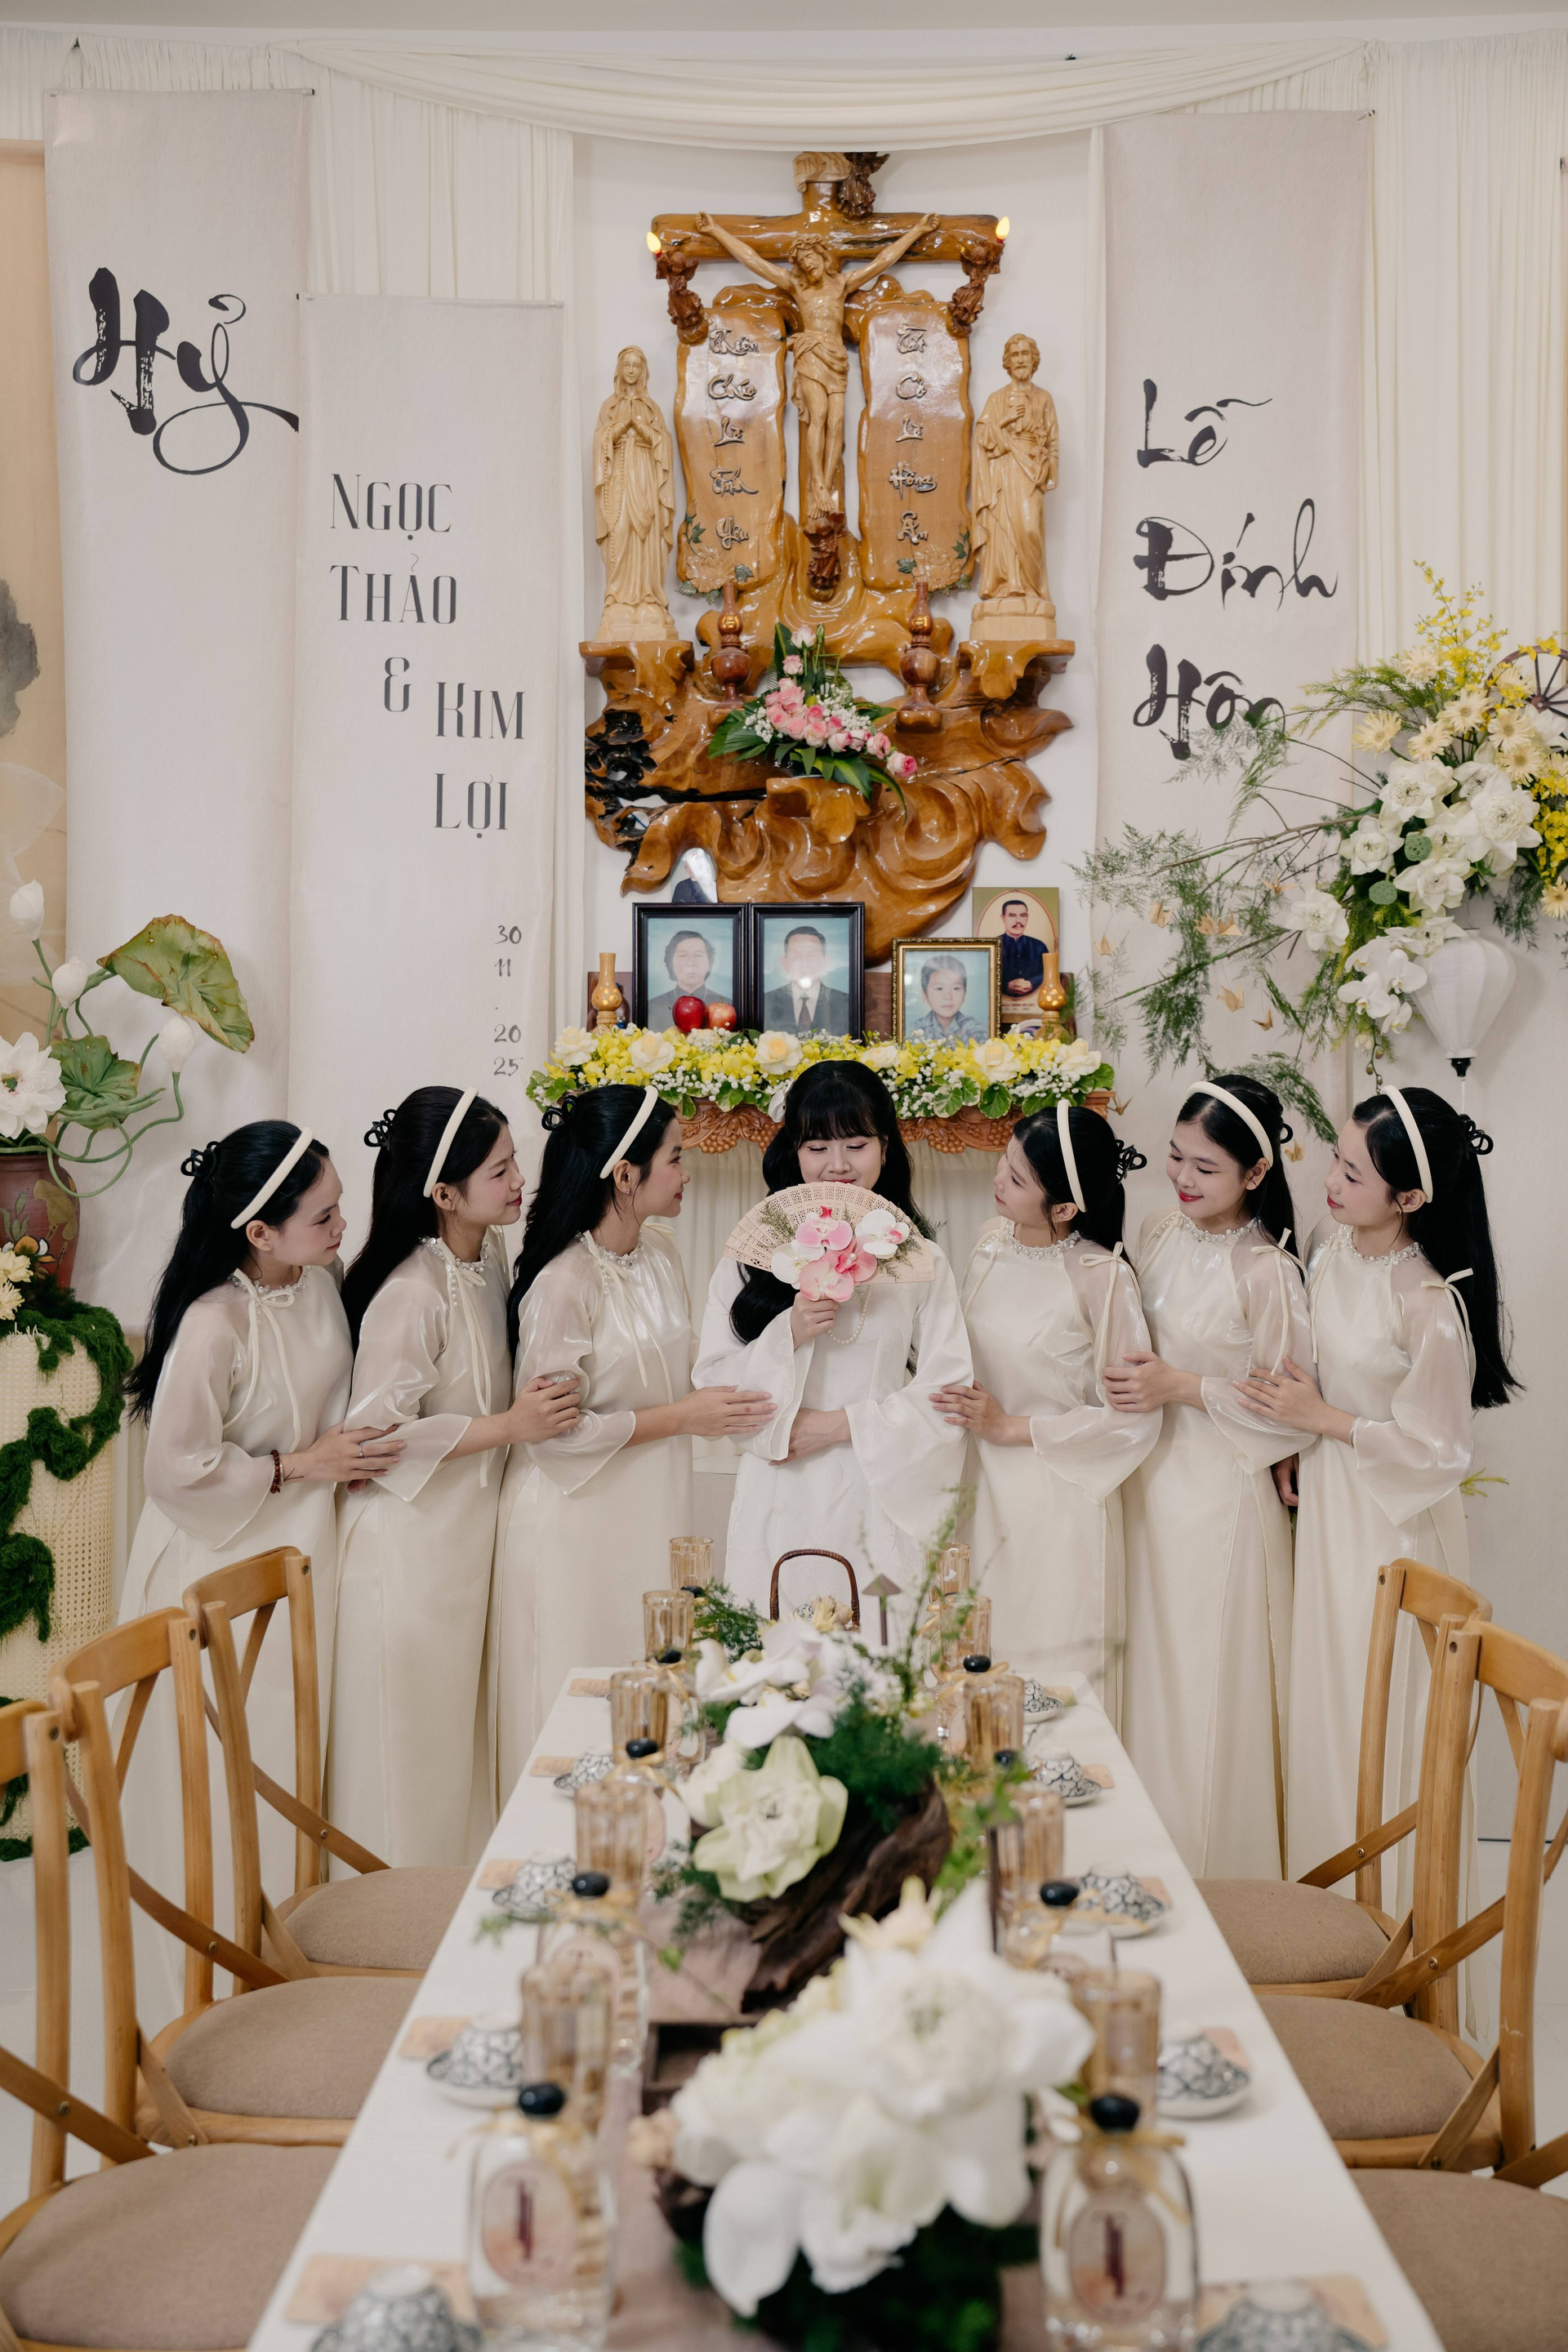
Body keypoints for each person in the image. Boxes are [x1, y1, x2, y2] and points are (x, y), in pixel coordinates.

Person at [119, 1123, 403, 2022]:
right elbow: (175, 1474)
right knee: (222, 1783)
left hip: (300, 1558)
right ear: (258, 1231)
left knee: (290, 1771)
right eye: (324, 1215)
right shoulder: (214, 1323)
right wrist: (300, 1464)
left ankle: (289, 1975)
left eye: (339, 1206)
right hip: (216, 1572)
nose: (342, 1226)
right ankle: (209, 2003)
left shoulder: (318, 1281)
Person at [1236, 1086, 1516, 1900]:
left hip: (1394, 1536)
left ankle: (1392, 1929)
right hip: (1331, 1511)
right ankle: (1323, 1919)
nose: (1330, 1181)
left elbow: (1438, 1451)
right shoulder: (1330, 1248)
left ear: (1410, 1198)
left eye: (1354, 1174)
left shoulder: (1427, 1304)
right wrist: (1297, 1442)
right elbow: (1314, 1376)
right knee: (1326, 1710)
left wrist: (1322, 1420)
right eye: (1337, 1158)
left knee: (1380, 1721)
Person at [490, 1086, 773, 1786]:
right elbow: (552, 1436)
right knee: (575, 1712)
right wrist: (684, 1418)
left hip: (646, 1510)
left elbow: (689, 1368)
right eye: (674, 1158)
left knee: (647, 1697)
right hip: (573, 1524)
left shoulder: (660, 1253)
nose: (686, 1172)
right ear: (625, 1174)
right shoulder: (563, 1282)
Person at [330, 1089, 581, 1867]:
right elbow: (372, 1439)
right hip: (404, 1555)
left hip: (462, 1546)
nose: (520, 1182)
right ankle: (381, 1920)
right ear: (443, 1193)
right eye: (499, 1171)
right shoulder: (412, 1290)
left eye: (514, 1162)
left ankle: (446, 1910)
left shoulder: (486, 1259)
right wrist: (512, 1426)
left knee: (448, 1756)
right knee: (403, 1759)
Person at [1103, 1076, 1315, 1880]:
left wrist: (1182, 1385)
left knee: (1204, 1683)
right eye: (1175, 1158)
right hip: (1147, 1485)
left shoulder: (1268, 1272)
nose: (1183, 1179)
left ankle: (1213, 1878)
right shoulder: (1160, 1231)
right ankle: (1137, 1859)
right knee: (1149, 1676)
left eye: (1205, 1168)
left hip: (1219, 1502)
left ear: (1256, 1173)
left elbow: (1292, 1412)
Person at [694, 1060, 972, 1639]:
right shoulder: (752, 1257)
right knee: (770, 1654)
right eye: (817, 1146)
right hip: (779, 1482)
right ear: (793, 1151)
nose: (838, 1165)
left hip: (878, 1487)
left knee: (877, 1652)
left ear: (886, 1148)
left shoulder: (921, 1260)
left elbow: (949, 1392)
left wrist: (842, 1425)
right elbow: (713, 1382)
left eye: (856, 1144)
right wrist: (789, 1332)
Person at [932, 1105, 1160, 1724]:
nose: (998, 1179)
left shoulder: (1103, 1279)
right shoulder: (989, 1242)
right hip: (977, 1488)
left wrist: (1012, 1427)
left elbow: (1132, 1420)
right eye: (1004, 1162)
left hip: (1055, 1499)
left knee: (1047, 1680)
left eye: (1018, 1178)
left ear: (1064, 1208)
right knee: (974, 1665)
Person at [762, 923, 852, 1036]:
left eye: (812, 956)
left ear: (825, 961)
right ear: (783, 962)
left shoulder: (846, 1002)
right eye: (796, 956)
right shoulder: (765, 1002)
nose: (804, 963)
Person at [645, 929, 719, 1032]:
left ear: (709, 962)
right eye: (683, 955)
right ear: (670, 962)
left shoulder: (726, 1005)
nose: (691, 963)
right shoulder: (652, 1007)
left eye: (698, 955)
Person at [907, 953, 986, 1044]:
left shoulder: (976, 1029)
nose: (948, 997)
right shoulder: (916, 1030)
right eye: (939, 988)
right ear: (924, 994)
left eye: (956, 988)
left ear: (964, 994)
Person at [998, 898, 1051, 1000]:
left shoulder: (1039, 946)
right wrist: (1005, 986)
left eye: (1023, 916)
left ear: (1027, 917)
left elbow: (1049, 973)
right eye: (1012, 915)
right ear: (1003, 918)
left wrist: (1033, 983)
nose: (1018, 921)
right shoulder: (993, 946)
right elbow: (984, 976)